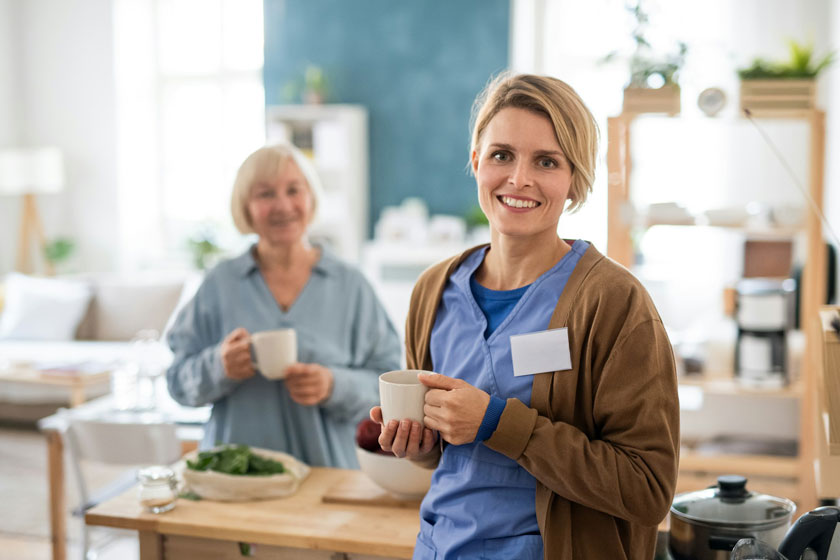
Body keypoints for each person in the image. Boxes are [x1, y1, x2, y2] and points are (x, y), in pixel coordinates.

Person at [370, 74, 679, 559]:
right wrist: (420, 443)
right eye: (501, 155)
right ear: (476, 161)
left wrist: (498, 422)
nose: (519, 179)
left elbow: (647, 489)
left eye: (547, 161)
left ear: (574, 181)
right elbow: (447, 458)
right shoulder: (433, 292)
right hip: (439, 547)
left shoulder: (614, 303)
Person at [167, 143, 401, 469]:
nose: (283, 205)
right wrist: (218, 366)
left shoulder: (351, 285)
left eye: (294, 190)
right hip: (233, 476)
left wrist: (333, 385)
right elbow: (177, 383)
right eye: (265, 194)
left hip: (328, 476)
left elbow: (390, 387)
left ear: (311, 198)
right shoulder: (219, 284)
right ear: (246, 207)